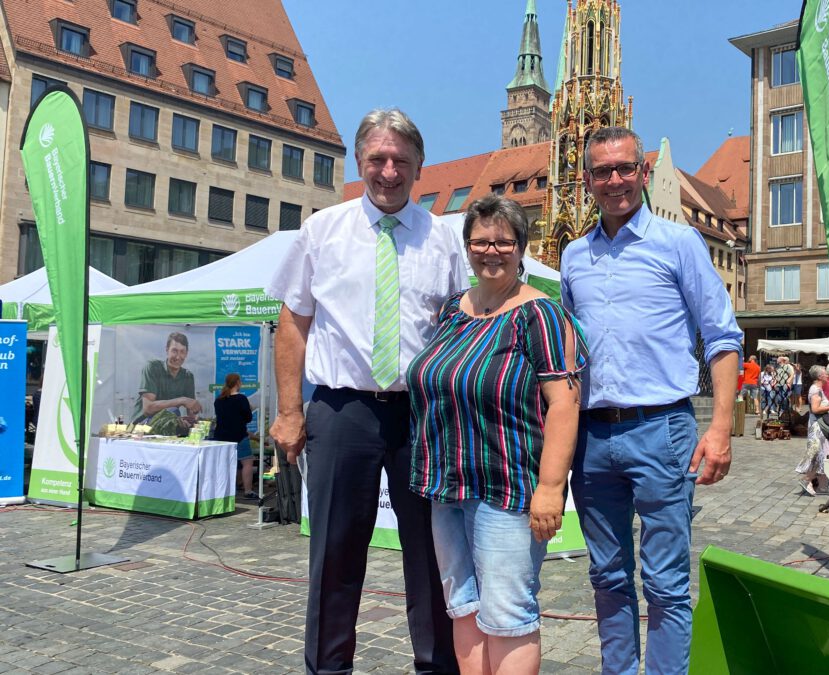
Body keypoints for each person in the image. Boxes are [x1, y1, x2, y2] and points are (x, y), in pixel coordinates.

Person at [267, 108, 467, 675]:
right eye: (377, 159)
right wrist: (288, 411)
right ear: (360, 162)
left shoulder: (445, 240)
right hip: (341, 411)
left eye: (400, 161)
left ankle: (437, 668)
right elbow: (293, 324)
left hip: (421, 416)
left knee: (432, 557)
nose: (388, 171)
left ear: (419, 167)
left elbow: (460, 328)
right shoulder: (321, 231)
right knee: (334, 555)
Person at [561, 126, 743, 675]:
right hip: (592, 438)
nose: (614, 180)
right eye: (601, 171)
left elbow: (722, 336)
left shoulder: (679, 242)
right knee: (608, 576)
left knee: (665, 581)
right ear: (587, 180)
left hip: (661, 429)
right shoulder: (573, 256)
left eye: (624, 168)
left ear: (643, 172)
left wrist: (720, 430)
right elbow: (567, 351)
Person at [409, 195, 587, 675]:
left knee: (508, 614)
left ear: (521, 248)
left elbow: (564, 405)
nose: (492, 251)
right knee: (463, 604)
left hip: (508, 489)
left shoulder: (540, 314)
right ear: (467, 247)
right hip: (447, 484)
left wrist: (550, 490)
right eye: (481, 241)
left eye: (504, 241)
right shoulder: (452, 310)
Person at [132, 331, 202, 423]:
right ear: (167, 350)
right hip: (142, 426)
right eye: (174, 351)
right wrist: (181, 400)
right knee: (173, 411)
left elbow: (191, 411)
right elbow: (148, 408)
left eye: (182, 352)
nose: (178, 357)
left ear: (186, 353)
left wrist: (194, 416)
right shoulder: (152, 367)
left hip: (167, 423)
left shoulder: (187, 376)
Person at [795, 365, 829, 496]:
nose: (827, 375)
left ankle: (822, 487)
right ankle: (807, 479)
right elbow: (815, 409)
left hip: (818, 427)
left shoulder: (818, 389)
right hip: (817, 427)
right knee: (821, 455)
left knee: (822, 455)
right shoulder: (816, 390)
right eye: (825, 374)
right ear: (820, 377)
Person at [213, 373, 256, 500]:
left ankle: (225, 490)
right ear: (237, 383)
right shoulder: (242, 399)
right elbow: (248, 418)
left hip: (221, 437)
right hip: (239, 435)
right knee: (247, 462)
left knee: (225, 464)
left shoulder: (218, 400)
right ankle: (248, 491)